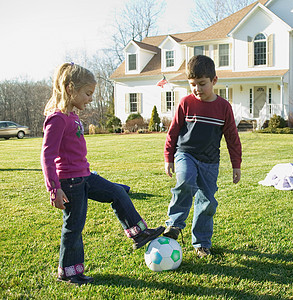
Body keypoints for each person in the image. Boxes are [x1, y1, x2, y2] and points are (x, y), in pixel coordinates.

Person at [41, 63, 164, 285]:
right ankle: (69, 273)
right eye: (87, 94)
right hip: (70, 183)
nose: (89, 99)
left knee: (117, 192)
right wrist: (54, 188)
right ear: (70, 88)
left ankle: (139, 234)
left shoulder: (73, 116)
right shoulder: (57, 118)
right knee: (74, 226)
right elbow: (47, 156)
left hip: (86, 176)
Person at [163, 55, 242, 258]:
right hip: (185, 154)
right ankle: (174, 225)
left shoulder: (224, 107)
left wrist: (236, 165)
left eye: (202, 84)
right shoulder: (185, 103)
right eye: (192, 84)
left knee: (206, 202)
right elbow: (173, 132)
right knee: (186, 181)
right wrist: (168, 157)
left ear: (214, 80)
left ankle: (201, 244)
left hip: (210, 162)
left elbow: (232, 137)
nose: (197, 89)